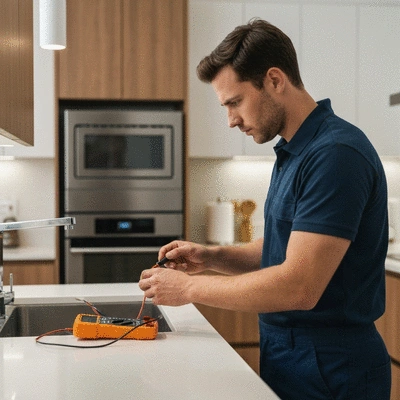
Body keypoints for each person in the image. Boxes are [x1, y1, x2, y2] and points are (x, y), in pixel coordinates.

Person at [139, 19, 391, 399]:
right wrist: (211, 256)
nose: (231, 120)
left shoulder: (336, 154)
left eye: (235, 102)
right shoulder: (294, 151)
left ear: (274, 80)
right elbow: (282, 248)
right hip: (292, 354)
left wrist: (189, 287)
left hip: (333, 366)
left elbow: (299, 286)